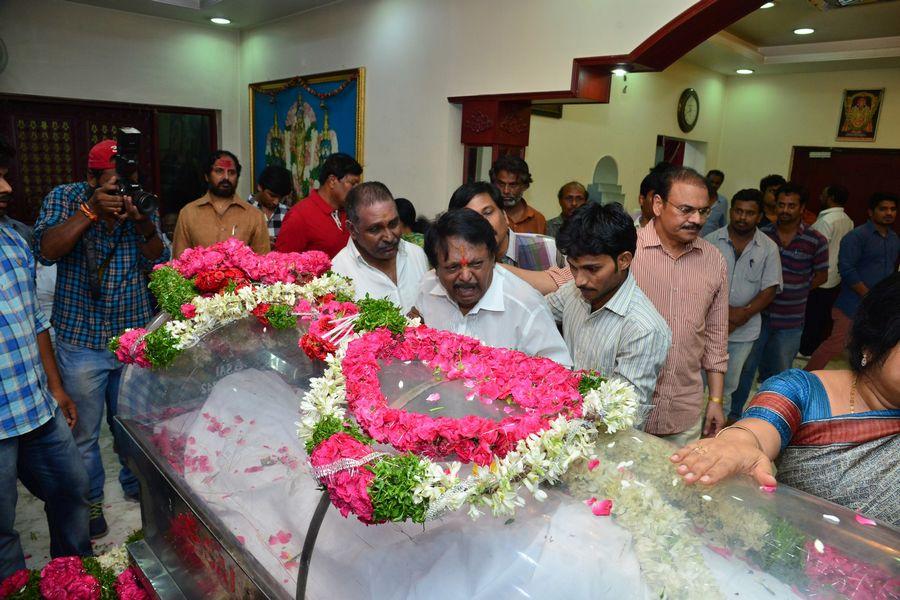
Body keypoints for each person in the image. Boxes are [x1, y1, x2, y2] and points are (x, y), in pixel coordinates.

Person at [671, 273, 900, 527]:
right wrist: (737, 442)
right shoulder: (802, 390)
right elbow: (760, 426)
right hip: (792, 555)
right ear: (873, 345)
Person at [32, 139, 168, 538]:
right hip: (81, 340)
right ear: (91, 179)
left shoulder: (137, 200)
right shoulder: (65, 197)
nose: (120, 191)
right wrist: (89, 212)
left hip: (131, 338)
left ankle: (135, 485)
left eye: (126, 182)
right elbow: (46, 250)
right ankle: (91, 500)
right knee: (84, 434)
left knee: (134, 424)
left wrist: (141, 220)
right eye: (111, 184)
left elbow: (158, 257)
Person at [0, 137, 91, 581]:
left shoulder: (13, 240)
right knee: (2, 534)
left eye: (4, 174)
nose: (5, 187)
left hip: (35, 408)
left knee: (72, 494)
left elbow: (36, 321)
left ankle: (73, 581)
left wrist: (56, 388)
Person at [630, 166, 729, 446]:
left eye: (704, 211)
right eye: (686, 210)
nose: (696, 219)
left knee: (676, 489)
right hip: (626, 411)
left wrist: (716, 400)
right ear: (658, 204)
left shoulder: (714, 260)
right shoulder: (627, 249)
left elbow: (716, 335)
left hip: (684, 412)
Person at [547, 202, 670, 414]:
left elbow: (625, 414)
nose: (580, 280)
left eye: (592, 269)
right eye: (573, 267)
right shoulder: (572, 293)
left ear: (623, 260)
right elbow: (535, 314)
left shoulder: (643, 329)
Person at [415, 209, 572, 367]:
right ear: (435, 269)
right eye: (453, 267)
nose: (465, 276)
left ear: (493, 259)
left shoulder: (525, 305)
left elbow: (559, 370)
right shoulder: (428, 288)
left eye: (476, 264)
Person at [729, 183, 828, 418]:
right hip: (759, 317)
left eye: (791, 206)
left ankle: (771, 417)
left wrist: (796, 290)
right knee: (745, 369)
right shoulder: (762, 235)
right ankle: (733, 415)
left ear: (802, 208)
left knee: (780, 373)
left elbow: (821, 275)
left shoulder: (815, 239)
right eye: (781, 205)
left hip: (790, 321)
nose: (785, 210)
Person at [705, 189, 782, 422]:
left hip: (744, 331)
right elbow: (699, 284)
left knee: (728, 386)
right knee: (696, 385)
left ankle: (715, 437)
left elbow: (770, 288)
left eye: (750, 213)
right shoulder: (710, 242)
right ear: (731, 211)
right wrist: (724, 314)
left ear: (759, 216)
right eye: (738, 211)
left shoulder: (768, 248)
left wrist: (743, 314)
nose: (742, 217)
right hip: (706, 328)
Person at [805, 192, 899, 371]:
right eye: (883, 209)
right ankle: (804, 377)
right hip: (852, 305)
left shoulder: (894, 239)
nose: (889, 213)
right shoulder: (857, 236)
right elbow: (847, 269)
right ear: (871, 212)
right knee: (836, 345)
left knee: (871, 347)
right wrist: (869, 296)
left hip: (879, 307)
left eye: (893, 209)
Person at [331, 183, 428, 314]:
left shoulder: (417, 254)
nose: (389, 237)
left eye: (393, 224)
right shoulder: (338, 274)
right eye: (375, 229)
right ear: (352, 229)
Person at [172, 150, 269, 258]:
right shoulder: (188, 213)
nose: (226, 177)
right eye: (219, 171)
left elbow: (263, 264)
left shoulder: (254, 216)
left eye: (231, 172)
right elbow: (178, 263)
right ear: (206, 176)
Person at [449, 181, 563, 272]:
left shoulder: (548, 249)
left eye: (488, 213)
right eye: (471, 217)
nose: (482, 223)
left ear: (505, 216)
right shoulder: (451, 260)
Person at [800, 184, 854, 356]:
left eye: (823, 194)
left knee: (812, 316)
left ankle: (805, 350)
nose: (820, 196)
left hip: (819, 276)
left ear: (830, 197)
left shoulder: (825, 221)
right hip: (834, 277)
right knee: (821, 315)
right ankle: (812, 347)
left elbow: (814, 251)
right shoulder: (848, 220)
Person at [275, 152, 362, 257]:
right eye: (353, 184)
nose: (357, 190)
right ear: (332, 181)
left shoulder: (351, 211)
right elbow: (283, 264)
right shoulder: (299, 216)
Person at [490, 155, 547, 235]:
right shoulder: (485, 216)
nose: (506, 191)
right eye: (501, 184)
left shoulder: (538, 219)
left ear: (525, 186)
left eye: (513, 185)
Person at [247, 165, 292, 246]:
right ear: (260, 187)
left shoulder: (289, 213)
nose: (276, 202)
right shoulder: (242, 211)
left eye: (281, 198)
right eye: (272, 195)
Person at [700, 169, 728, 237]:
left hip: (710, 242)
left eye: (717, 183)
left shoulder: (723, 202)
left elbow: (722, 225)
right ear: (706, 181)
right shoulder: (697, 197)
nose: (714, 185)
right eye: (711, 182)